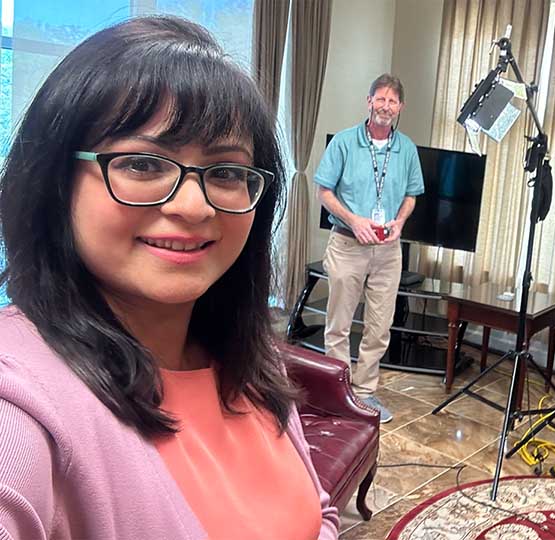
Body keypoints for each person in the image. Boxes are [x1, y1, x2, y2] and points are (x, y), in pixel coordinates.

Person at [0, 16, 338, 539]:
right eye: (142, 164)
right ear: (55, 180)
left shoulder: (248, 357)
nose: (193, 205)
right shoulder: (19, 399)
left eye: (226, 172)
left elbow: (317, 515)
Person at [315, 74, 424, 423]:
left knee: (379, 326)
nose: (386, 107)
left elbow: (411, 195)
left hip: (388, 251)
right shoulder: (345, 143)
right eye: (381, 99)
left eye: (393, 102)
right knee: (339, 325)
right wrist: (355, 220)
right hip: (348, 244)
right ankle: (336, 393)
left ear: (400, 108)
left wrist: (401, 222)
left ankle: (364, 393)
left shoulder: (406, 148)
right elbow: (324, 192)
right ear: (369, 101)